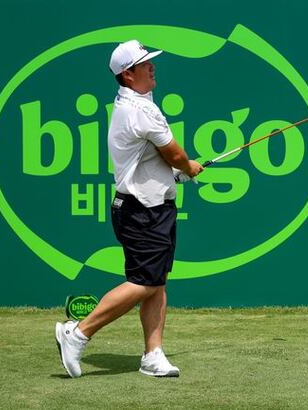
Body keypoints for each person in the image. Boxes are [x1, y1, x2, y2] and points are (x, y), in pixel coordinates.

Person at [55, 40, 203, 378]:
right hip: (141, 211)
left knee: (156, 282)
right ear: (128, 74)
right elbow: (175, 154)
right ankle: (77, 333)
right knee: (144, 283)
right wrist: (187, 167)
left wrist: (175, 172)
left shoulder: (139, 103)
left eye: (151, 62)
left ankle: (153, 354)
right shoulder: (139, 110)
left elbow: (155, 159)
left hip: (154, 209)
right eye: (145, 64)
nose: (152, 66)